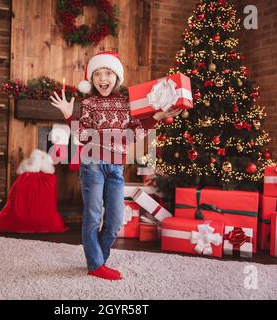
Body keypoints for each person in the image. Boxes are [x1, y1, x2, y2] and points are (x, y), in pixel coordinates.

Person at [50, 51, 181, 280]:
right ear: (92, 79)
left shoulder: (128, 104)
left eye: (107, 73)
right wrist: (70, 116)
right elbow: (82, 136)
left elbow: (135, 133)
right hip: (92, 165)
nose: (102, 78)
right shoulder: (89, 103)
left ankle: (98, 259)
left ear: (116, 76)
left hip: (116, 169)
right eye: (97, 73)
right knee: (92, 217)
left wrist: (157, 118)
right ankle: (96, 265)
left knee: (115, 221)